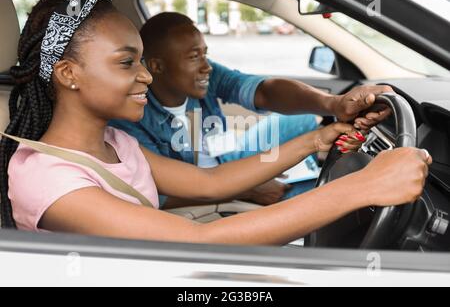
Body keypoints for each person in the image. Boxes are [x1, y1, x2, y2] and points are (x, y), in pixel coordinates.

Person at [0, 0, 431, 246]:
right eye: (126, 63)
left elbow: (211, 183)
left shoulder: (115, 144)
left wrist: (318, 140)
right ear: (68, 74)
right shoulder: (48, 179)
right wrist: (364, 186)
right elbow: (197, 241)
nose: (147, 76)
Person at [109, 12, 393, 208]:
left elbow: (263, 91)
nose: (207, 66)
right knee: (305, 190)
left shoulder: (204, 76)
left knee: (305, 120)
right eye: (194, 57)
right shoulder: (133, 118)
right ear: (157, 66)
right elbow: (162, 196)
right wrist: (250, 190)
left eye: (205, 53)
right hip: (199, 184)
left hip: (225, 154)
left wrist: (333, 103)